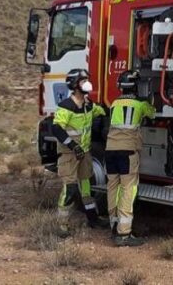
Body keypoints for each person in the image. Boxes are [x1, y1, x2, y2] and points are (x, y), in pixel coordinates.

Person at [51, 68, 108, 236]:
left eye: (87, 80)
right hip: (70, 154)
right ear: (75, 85)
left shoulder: (89, 106)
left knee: (86, 187)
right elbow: (56, 128)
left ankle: (93, 219)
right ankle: (62, 225)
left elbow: (103, 111)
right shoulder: (66, 107)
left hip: (85, 153)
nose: (87, 84)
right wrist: (72, 146)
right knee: (70, 189)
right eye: (83, 81)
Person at [106, 70, 156, 247]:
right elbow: (152, 113)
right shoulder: (139, 105)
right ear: (135, 86)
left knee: (113, 187)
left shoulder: (113, 104)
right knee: (128, 189)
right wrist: (151, 96)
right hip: (127, 152)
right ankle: (124, 233)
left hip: (110, 150)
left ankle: (113, 224)